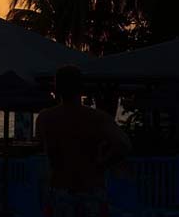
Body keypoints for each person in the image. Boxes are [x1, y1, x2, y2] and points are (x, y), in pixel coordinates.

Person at [36, 66, 131, 217]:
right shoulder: (97, 118)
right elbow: (123, 144)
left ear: (57, 88)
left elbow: (42, 146)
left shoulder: (45, 118)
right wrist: (103, 163)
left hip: (60, 190)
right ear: (81, 87)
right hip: (91, 188)